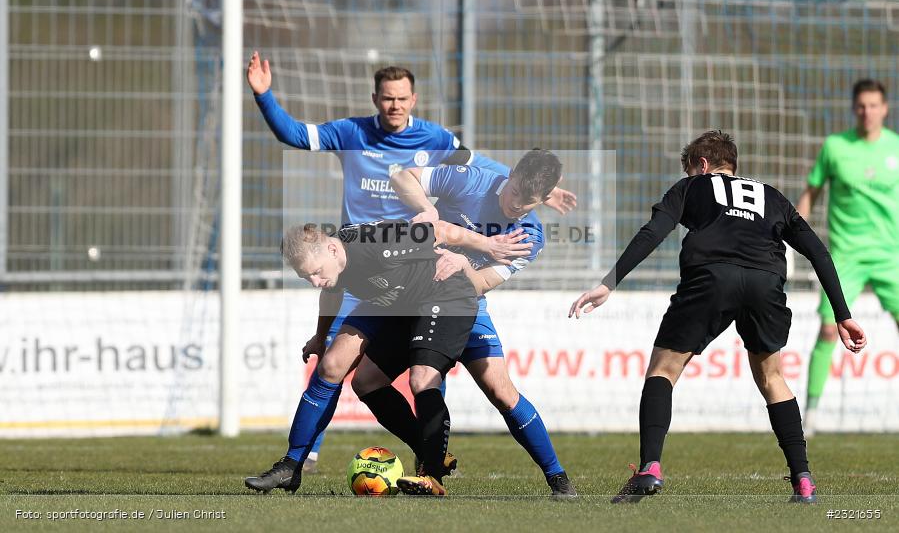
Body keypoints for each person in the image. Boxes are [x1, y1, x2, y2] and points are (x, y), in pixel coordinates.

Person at [247, 53, 577, 472]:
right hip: (370, 263)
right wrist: (264, 97)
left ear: (414, 99)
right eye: (387, 98)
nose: (395, 106)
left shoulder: (443, 146)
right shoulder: (352, 133)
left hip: (436, 276)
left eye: (402, 98)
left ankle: (530, 472)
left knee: (483, 384)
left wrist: (529, 198)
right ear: (376, 98)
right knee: (335, 361)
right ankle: (300, 460)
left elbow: (485, 184)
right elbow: (310, 140)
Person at [568, 130, 867, 504]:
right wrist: (843, 314)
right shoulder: (771, 196)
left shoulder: (691, 188)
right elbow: (818, 252)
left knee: (663, 369)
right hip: (765, 282)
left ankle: (649, 468)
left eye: (691, 170)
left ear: (703, 165)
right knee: (773, 378)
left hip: (711, 276)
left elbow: (653, 232)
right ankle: (803, 479)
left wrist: (609, 283)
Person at [348, 149, 575, 497]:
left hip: (464, 304)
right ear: (510, 174)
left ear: (544, 200)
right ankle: (432, 461)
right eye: (514, 192)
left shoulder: (528, 235)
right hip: (416, 295)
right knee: (366, 381)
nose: (515, 205)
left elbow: (482, 283)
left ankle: (558, 477)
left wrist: (460, 261)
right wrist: (428, 209)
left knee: (500, 392)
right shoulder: (471, 180)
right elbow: (402, 176)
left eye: (527, 202)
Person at [245, 219, 527, 495]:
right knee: (331, 366)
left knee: (421, 380)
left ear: (332, 249)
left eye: (316, 273)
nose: (315, 282)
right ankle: (291, 466)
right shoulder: (331, 262)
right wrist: (320, 337)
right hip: (385, 302)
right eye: (307, 277)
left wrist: (489, 244)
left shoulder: (376, 241)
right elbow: (331, 293)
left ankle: (432, 459)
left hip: (427, 298)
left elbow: (439, 230)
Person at [796, 79, 899, 435]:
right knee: (828, 329)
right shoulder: (835, 147)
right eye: (861, 106)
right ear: (853, 109)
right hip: (846, 256)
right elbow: (811, 192)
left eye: (873, 105)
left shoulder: (896, 148)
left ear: (885, 109)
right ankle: (811, 414)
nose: (867, 111)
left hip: (890, 255)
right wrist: (794, 232)